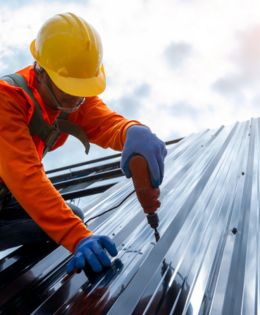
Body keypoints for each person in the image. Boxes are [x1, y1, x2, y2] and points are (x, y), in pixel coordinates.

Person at [0, 13, 167, 274]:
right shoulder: (6, 100)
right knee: (68, 227)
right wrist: (76, 237)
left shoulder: (69, 98)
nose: (78, 102)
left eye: (83, 91)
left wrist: (132, 131)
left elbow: (106, 123)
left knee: (71, 215)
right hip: (14, 185)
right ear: (41, 72)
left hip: (3, 198)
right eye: (69, 91)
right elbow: (26, 177)